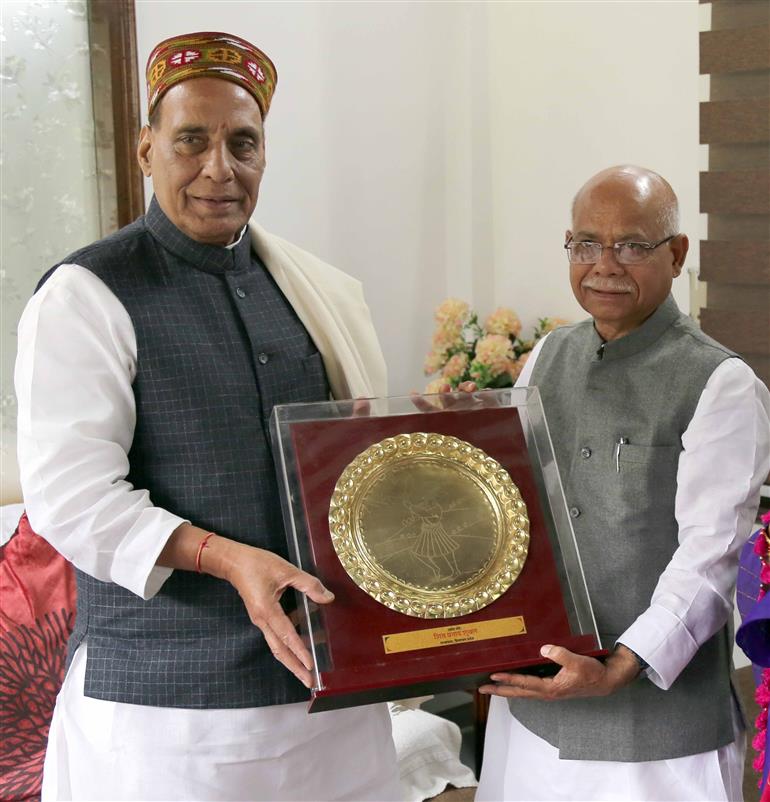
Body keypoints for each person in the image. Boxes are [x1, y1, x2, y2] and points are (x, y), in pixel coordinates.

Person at [15, 31, 400, 801]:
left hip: (332, 692)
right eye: (192, 140)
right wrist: (227, 559)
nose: (219, 169)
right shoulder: (87, 294)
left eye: (243, 143)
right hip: (169, 713)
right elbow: (70, 500)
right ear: (146, 149)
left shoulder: (314, 289)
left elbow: (362, 464)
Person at [475, 165, 770, 801]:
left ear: (677, 254)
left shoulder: (721, 383)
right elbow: (515, 502)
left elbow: (710, 559)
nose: (604, 265)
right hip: (532, 705)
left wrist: (622, 665)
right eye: (586, 243)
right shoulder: (549, 353)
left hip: (654, 729)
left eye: (632, 245)